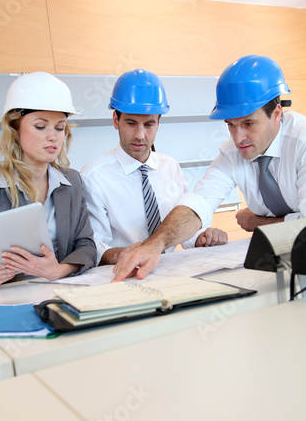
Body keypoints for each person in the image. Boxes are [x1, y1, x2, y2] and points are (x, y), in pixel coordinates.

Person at [112, 55, 306, 281]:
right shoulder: (232, 153)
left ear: (276, 114)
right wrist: (155, 245)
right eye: (231, 125)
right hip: (282, 261)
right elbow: (198, 205)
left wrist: (257, 222)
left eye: (248, 124)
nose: (238, 137)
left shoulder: (301, 143)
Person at [81, 69, 227, 265]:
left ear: (158, 123)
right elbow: (94, 245)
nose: (140, 135)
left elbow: (184, 231)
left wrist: (200, 238)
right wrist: (124, 255)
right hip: (124, 274)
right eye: (131, 123)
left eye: (149, 124)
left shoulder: (170, 167)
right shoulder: (94, 177)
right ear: (116, 120)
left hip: (170, 269)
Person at [0, 71, 96, 290]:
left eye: (60, 127)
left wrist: (59, 270)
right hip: (4, 299)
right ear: (14, 128)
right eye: (41, 126)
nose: (53, 136)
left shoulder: (72, 181)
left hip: (60, 291)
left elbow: (86, 245)